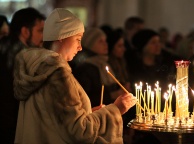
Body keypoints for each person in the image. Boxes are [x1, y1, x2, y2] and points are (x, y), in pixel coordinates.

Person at [13, 8, 137, 144]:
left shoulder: (37, 68)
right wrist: (116, 109)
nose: (80, 47)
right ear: (61, 37)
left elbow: (57, 121)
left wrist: (89, 113)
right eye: (78, 39)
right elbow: (80, 131)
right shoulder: (57, 75)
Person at [0, 7, 45, 144]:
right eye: (40, 31)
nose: (43, 36)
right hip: (15, 124)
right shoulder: (28, 57)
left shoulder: (3, 46)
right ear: (25, 31)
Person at [73, 27, 129, 107]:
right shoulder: (84, 68)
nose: (105, 44)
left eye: (105, 41)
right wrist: (113, 95)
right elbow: (84, 98)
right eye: (100, 41)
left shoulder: (105, 63)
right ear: (90, 44)